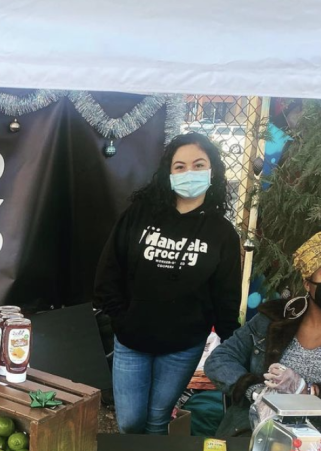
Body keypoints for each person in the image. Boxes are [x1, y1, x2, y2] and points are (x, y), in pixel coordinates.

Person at [94, 133, 241, 434]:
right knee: (130, 421)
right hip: (132, 340)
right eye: (180, 166)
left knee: (158, 418)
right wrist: (122, 320)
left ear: (213, 171)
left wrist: (232, 344)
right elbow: (109, 271)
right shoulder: (140, 215)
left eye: (199, 165)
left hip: (183, 347)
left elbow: (226, 296)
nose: (190, 173)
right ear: (169, 173)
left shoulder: (222, 233)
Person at [206, 229, 321, 436]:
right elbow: (220, 359)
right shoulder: (273, 320)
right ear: (307, 282)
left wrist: (310, 392)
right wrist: (258, 392)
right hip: (256, 434)